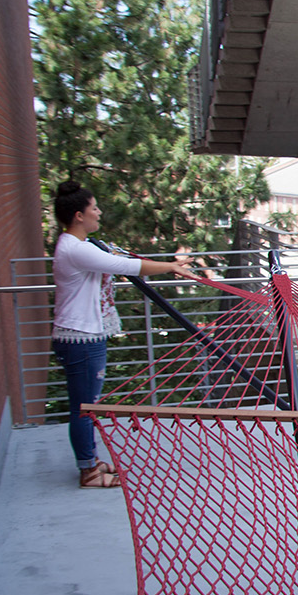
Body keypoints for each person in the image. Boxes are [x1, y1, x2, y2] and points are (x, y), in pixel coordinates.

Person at [51, 180, 194, 488]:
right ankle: (88, 471)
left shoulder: (74, 246)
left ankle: (89, 461)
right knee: (84, 407)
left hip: (81, 335)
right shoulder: (76, 250)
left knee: (87, 404)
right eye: (94, 208)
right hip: (80, 338)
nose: (99, 213)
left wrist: (169, 266)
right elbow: (126, 265)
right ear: (79, 215)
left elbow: (121, 262)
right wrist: (172, 267)